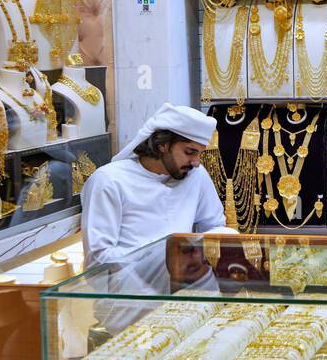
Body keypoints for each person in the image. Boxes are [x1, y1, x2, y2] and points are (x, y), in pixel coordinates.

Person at [80, 103, 227, 267]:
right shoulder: (109, 181)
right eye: (189, 152)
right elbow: (98, 259)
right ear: (162, 145)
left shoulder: (196, 176)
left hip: (185, 287)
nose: (196, 163)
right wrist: (166, 255)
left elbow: (215, 227)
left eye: (200, 154)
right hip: (131, 289)